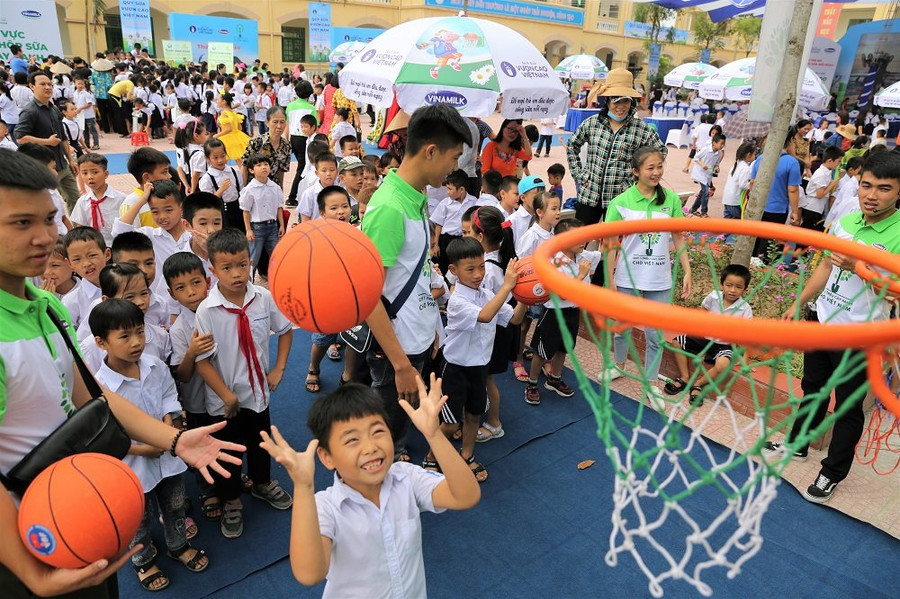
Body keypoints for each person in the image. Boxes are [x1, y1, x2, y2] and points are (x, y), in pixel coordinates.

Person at [0, 148, 242, 598]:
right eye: (21, 223)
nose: (44, 237)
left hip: (79, 500)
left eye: (48, 219)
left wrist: (173, 439)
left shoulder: (48, 307)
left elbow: (92, 400)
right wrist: (30, 575)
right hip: (24, 534)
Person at [258, 376, 479, 595]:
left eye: (377, 432)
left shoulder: (406, 477)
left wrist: (434, 435)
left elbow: (466, 496)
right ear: (327, 457)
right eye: (352, 440)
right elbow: (309, 574)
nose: (370, 447)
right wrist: (303, 487)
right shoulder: (325, 507)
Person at [765, 152, 900, 503]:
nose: (871, 195)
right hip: (823, 321)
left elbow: (896, 292)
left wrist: (860, 268)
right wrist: (800, 302)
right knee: (813, 388)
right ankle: (798, 443)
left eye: (883, 189)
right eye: (866, 185)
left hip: (860, 337)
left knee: (847, 407)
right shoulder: (848, 219)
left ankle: (832, 472)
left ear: (898, 191)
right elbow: (826, 266)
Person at [361, 104, 470, 462]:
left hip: (415, 335)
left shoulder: (415, 195)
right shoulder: (389, 208)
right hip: (397, 349)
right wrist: (401, 366)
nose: (455, 168)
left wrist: (430, 322)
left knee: (400, 421)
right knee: (385, 431)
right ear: (431, 151)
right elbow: (369, 297)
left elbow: (416, 270)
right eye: (454, 157)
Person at [89, 299, 207, 591]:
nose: (136, 342)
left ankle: (178, 545)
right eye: (124, 336)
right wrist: (144, 448)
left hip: (168, 456)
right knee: (136, 519)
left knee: (175, 505)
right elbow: (106, 435)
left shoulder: (155, 366)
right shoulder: (100, 387)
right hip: (131, 469)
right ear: (101, 342)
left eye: (140, 332)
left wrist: (166, 427)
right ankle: (143, 560)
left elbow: (169, 396)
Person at [194, 228, 295, 538]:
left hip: (257, 393)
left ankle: (262, 482)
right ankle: (232, 500)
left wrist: (278, 368)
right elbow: (202, 362)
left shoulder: (263, 299)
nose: (237, 273)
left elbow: (285, 331)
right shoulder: (207, 311)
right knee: (228, 451)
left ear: (250, 261)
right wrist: (226, 395)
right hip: (224, 400)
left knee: (260, 440)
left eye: (242, 264)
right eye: (226, 267)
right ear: (213, 270)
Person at [601, 146, 692, 405]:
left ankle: (651, 383)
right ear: (635, 171)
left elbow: (678, 236)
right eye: (650, 168)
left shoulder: (670, 200)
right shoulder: (621, 203)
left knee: (655, 336)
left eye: (659, 166)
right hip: (627, 276)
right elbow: (609, 245)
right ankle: (618, 365)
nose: (656, 172)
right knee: (622, 328)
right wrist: (610, 280)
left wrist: (686, 270)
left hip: (658, 278)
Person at [431, 237, 526, 481]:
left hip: (479, 369)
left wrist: (527, 297)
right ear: (453, 270)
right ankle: (432, 457)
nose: (478, 274)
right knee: (451, 424)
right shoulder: (457, 301)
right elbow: (485, 316)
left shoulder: (487, 294)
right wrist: (507, 287)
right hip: (456, 369)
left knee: (473, 416)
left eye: (482, 267)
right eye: (470, 269)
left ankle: (467, 455)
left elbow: (514, 319)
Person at [566, 68, 667, 236]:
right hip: (589, 195)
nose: (620, 107)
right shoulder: (592, 123)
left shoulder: (641, 129)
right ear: (607, 101)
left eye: (625, 101)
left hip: (620, 198)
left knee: (613, 243)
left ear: (631, 102)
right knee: (580, 239)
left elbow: (660, 152)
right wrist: (579, 174)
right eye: (616, 101)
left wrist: (636, 179)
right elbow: (572, 145)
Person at [164, 252, 220, 522]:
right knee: (200, 442)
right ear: (171, 293)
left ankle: (228, 477)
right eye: (181, 287)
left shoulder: (219, 311)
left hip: (224, 393)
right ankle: (207, 488)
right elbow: (183, 376)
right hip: (197, 400)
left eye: (196, 282)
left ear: (207, 281)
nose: (191, 292)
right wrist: (191, 353)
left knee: (226, 436)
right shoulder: (178, 330)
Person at [524, 218, 598, 406]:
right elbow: (563, 294)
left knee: (564, 348)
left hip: (573, 312)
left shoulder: (582, 256)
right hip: (554, 314)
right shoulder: (554, 262)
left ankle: (554, 379)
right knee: (541, 351)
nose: (583, 240)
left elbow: (602, 253)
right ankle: (532, 383)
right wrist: (581, 275)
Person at [665, 264, 753, 406]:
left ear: (745, 289)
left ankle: (698, 385)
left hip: (723, 344)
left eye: (738, 287)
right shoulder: (713, 297)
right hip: (704, 338)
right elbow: (703, 312)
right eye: (729, 285)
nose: (732, 290)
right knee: (677, 342)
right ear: (722, 284)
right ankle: (685, 377)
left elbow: (745, 335)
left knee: (723, 365)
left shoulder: (745, 309)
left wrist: (745, 358)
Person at [304, 186, 355, 394]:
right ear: (322, 213)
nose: (341, 211)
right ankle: (314, 367)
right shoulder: (317, 238)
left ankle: (348, 375)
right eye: (334, 208)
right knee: (322, 339)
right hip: (327, 300)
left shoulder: (357, 233)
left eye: (345, 206)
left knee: (354, 338)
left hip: (352, 299)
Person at [15, 72, 80, 211]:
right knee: (46, 205)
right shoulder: (29, 111)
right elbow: (20, 138)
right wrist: (47, 141)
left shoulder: (54, 109)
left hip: (63, 165)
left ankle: (77, 226)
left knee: (76, 202)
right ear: (32, 86)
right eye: (43, 84)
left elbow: (62, 137)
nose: (48, 87)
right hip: (44, 168)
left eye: (50, 84)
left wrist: (71, 160)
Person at [750, 131, 803, 260]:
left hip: (758, 207)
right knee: (768, 244)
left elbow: (752, 183)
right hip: (777, 210)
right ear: (790, 142)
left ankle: (751, 263)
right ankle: (761, 266)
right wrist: (795, 212)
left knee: (754, 240)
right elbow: (793, 190)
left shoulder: (761, 158)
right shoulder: (792, 162)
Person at [240, 154, 285, 278]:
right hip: (257, 228)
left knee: (276, 256)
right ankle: (249, 282)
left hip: (273, 227)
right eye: (259, 165)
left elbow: (279, 207)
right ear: (251, 170)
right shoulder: (250, 189)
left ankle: (278, 280)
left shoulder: (275, 187)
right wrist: (248, 230)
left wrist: (281, 225)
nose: (263, 167)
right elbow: (246, 211)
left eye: (266, 164)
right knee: (253, 258)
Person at [15, 142, 71, 235]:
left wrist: (71, 236)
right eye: (53, 168)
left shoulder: (51, 192)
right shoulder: (21, 203)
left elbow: (63, 218)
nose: (56, 173)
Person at [70, 153, 125, 244]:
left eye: (95, 172)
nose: (90, 177)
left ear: (105, 174)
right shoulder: (82, 202)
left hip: (118, 246)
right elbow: (81, 229)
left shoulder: (121, 199)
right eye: (84, 173)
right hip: (93, 247)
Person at [431, 169, 477, 276]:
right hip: (446, 240)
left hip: (463, 239)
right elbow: (438, 224)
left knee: (459, 265)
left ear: (461, 190)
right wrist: (436, 244)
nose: (447, 192)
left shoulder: (473, 202)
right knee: (443, 266)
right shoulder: (445, 203)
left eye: (450, 189)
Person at [120, 146, 172, 228]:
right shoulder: (131, 203)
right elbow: (124, 231)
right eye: (164, 172)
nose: (169, 176)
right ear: (146, 177)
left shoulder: (167, 196)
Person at [199, 138, 245, 231]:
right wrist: (221, 190)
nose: (220, 160)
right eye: (215, 158)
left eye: (223, 156)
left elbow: (242, 190)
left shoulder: (234, 171)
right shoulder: (207, 178)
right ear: (208, 159)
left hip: (238, 209)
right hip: (221, 213)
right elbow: (207, 201)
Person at [241, 106, 291, 189]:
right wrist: (243, 189)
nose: (279, 126)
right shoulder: (257, 142)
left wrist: (280, 188)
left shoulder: (286, 145)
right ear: (267, 122)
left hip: (273, 188)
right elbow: (245, 166)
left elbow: (281, 171)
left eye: (282, 122)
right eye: (275, 122)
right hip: (255, 187)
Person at [799, 146, 843, 232]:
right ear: (830, 161)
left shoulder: (826, 172)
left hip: (816, 208)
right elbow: (819, 194)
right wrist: (832, 184)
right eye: (838, 161)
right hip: (812, 208)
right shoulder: (821, 174)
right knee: (806, 234)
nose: (839, 164)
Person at [689, 134, 727, 218]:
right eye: (721, 143)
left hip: (708, 175)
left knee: (703, 192)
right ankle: (704, 212)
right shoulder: (705, 150)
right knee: (706, 192)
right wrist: (702, 164)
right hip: (700, 174)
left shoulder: (718, 153)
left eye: (723, 144)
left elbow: (716, 164)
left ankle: (693, 209)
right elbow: (696, 158)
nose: (722, 146)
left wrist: (717, 168)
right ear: (714, 143)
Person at [298, 152, 339, 222]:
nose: (328, 174)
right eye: (324, 171)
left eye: (332, 170)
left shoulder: (341, 191)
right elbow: (305, 220)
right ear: (317, 173)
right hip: (316, 228)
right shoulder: (309, 194)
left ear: (337, 171)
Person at [213, 92, 250, 168]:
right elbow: (240, 128)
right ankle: (243, 174)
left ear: (224, 102)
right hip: (238, 136)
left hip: (227, 138)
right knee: (239, 160)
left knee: (223, 159)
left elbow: (229, 129)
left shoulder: (224, 113)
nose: (217, 101)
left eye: (218, 99)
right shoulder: (233, 112)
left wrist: (217, 135)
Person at [722, 143, 755, 219]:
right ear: (749, 155)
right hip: (735, 202)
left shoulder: (737, 164)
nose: (754, 156)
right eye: (754, 154)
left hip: (727, 199)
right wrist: (752, 185)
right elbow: (742, 184)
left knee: (727, 223)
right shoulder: (745, 168)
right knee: (737, 223)